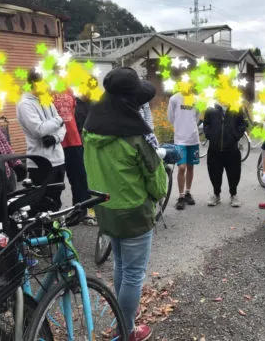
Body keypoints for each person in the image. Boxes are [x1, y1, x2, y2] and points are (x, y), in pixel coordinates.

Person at [83, 67, 167, 341]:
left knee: (120, 264)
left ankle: (122, 321)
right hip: (133, 212)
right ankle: (127, 330)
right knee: (133, 274)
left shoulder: (91, 130)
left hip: (105, 208)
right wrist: (156, 195)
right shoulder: (135, 137)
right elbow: (157, 183)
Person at [16, 69, 66, 210]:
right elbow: (38, 130)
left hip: (59, 159)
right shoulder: (24, 104)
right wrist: (58, 119)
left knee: (55, 202)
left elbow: (63, 128)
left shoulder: (47, 101)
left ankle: (54, 231)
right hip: (40, 162)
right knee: (40, 204)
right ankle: (40, 232)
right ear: (33, 83)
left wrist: (56, 137)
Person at [53, 88, 96, 225]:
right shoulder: (45, 91)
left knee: (80, 179)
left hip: (74, 140)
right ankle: (52, 215)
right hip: (55, 143)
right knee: (55, 183)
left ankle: (81, 212)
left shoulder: (69, 91)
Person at [203, 102, 248, 207]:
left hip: (232, 148)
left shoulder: (236, 106)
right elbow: (206, 123)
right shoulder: (210, 107)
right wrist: (210, 135)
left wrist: (235, 136)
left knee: (234, 173)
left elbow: (243, 123)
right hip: (214, 148)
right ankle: (216, 194)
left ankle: (233, 195)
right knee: (214, 172)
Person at [168, 92, 200, 210]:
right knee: (182, 167)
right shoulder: (174, 99)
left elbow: (196, 117)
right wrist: (180, 127)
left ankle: (187, 192)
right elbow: (170, 118)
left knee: (191, 167)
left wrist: (190, 127)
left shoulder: (196, 98)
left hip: (193, 138)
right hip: (180, 140)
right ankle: (180, 196)